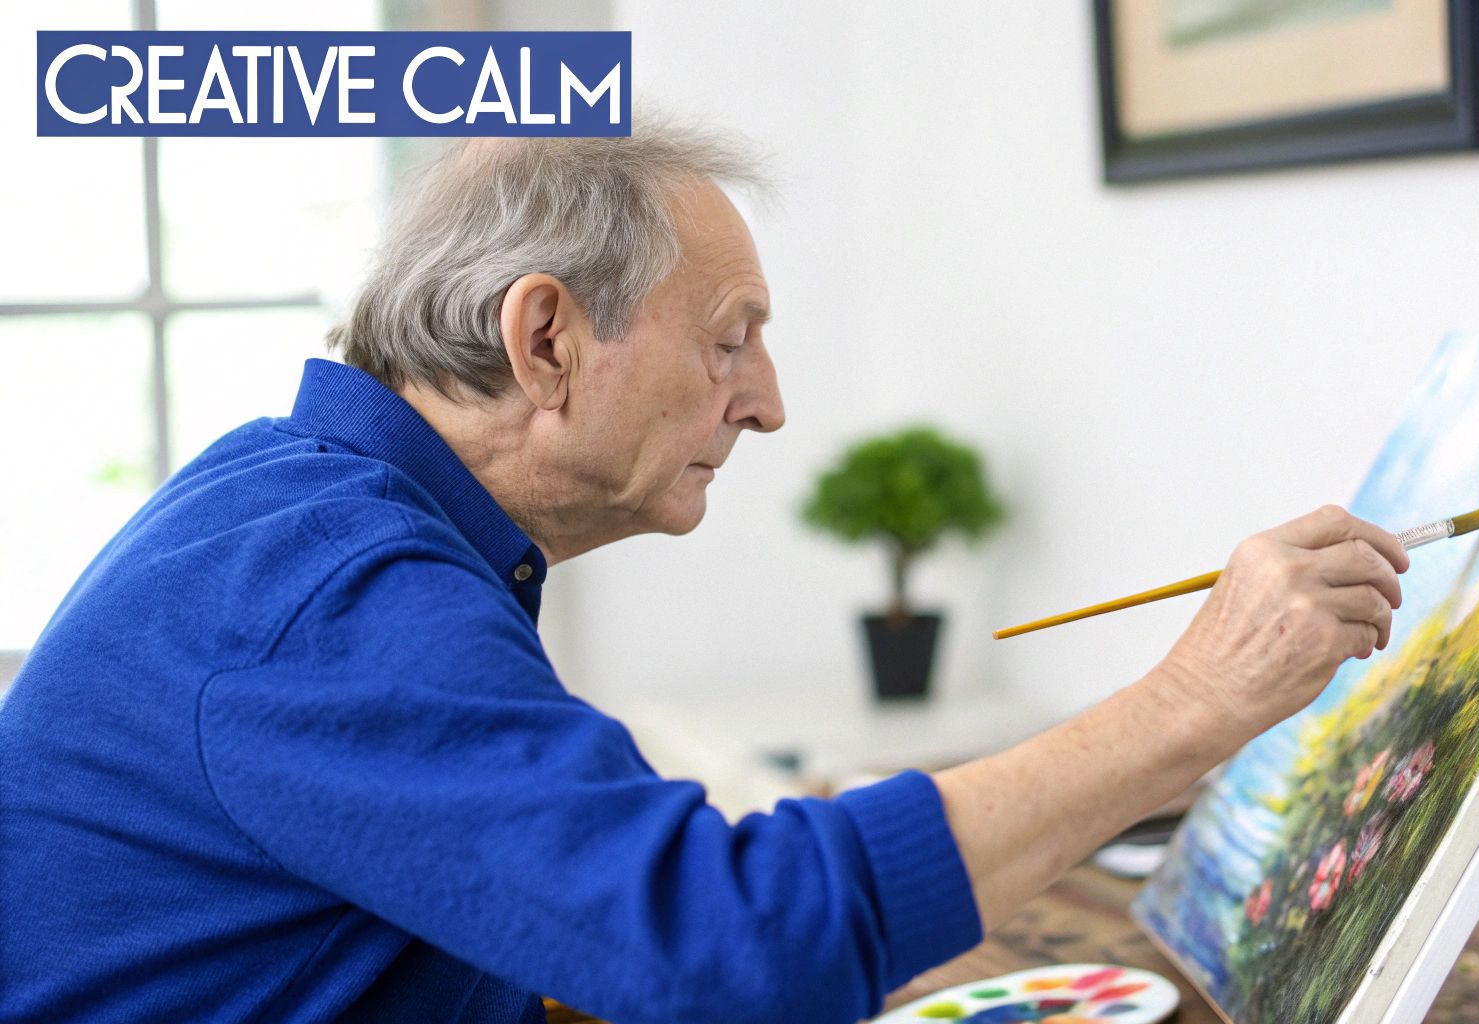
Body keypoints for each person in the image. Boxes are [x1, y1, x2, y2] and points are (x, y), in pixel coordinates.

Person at [0, 127, 1406, 1022]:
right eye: (730, 339)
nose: (769, 402)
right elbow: (719, 951)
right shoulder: (330, 594)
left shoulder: (299, 506)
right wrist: (1194, 704)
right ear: (544, 340)